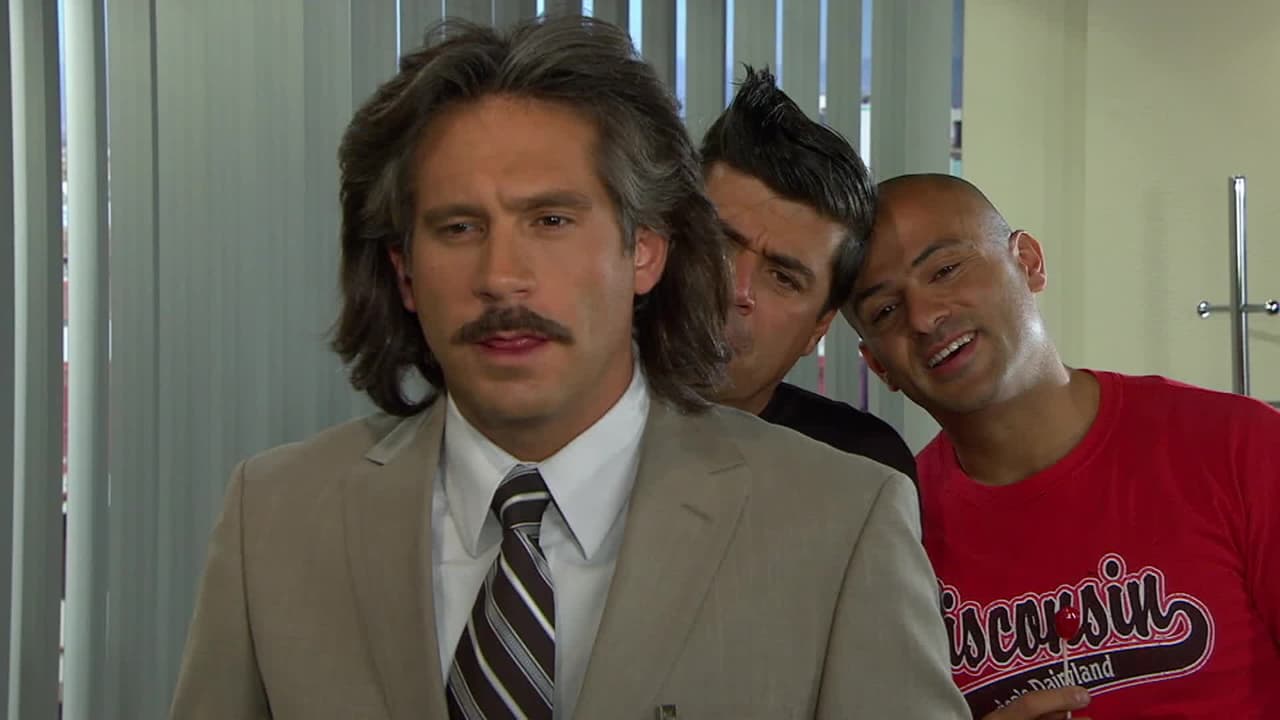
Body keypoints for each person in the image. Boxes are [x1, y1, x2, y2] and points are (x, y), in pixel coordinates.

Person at [169, 18, 969, 720]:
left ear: (645, 251)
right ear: (405, 273)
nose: (501, 277)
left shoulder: (841, 522)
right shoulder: (271, 519)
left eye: (550, 220)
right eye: (457, 228)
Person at [843, 172, 1280, 719]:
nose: (925, 317)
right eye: (886, 311)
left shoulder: (1239, 446)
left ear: (1028, 262)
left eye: (946, 270)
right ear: (877, 364)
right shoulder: (893, 536)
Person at [700, 67, 916, 480]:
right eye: (717, 244)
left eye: (783, 278)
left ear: (818, 329)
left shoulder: (862, 474)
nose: (736, 289)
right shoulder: (569, 410)